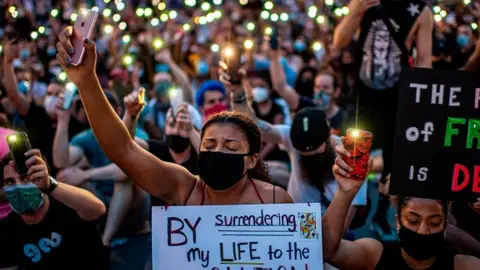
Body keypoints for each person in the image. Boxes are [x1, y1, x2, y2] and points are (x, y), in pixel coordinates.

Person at [55, 27, 293, 208]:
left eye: (230, 146)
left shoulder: (274, 200)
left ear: (251, 160)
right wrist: (87, 82)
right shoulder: (183, 187)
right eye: (209, 144)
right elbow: (122, 149)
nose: (218, 151)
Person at [333, 0, 433, 238]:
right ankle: (347, 214)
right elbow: (339, 42)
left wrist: (422, 104)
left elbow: (424, 62)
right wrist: (355, 12)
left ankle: (382, 214)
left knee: (393, 163)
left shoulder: (421, 11)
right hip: (363, 98)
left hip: (397, 98)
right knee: (351, 156)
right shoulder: (366, 2)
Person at [322, 144, 480, 269]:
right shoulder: (374, 256)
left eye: (434, 223)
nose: (423, 231)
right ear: (398, 221)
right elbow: (328, 251)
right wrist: (345, 192)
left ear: (445, 224)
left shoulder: (463, 265)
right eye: (413, 220)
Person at [0, 148, 108, 269]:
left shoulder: (67, 203)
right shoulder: (7, 230)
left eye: (25, 178)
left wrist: (50, 185)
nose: (18, 186)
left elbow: (98, 210)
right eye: (10, 182)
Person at [123, 90, 201, 207]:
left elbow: (212, 160)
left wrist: (190, 130)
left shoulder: (199, 154)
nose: (175, 131)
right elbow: (125, 143)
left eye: (183, 127)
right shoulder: (157, 149)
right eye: (171, 125)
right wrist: (130, 115)